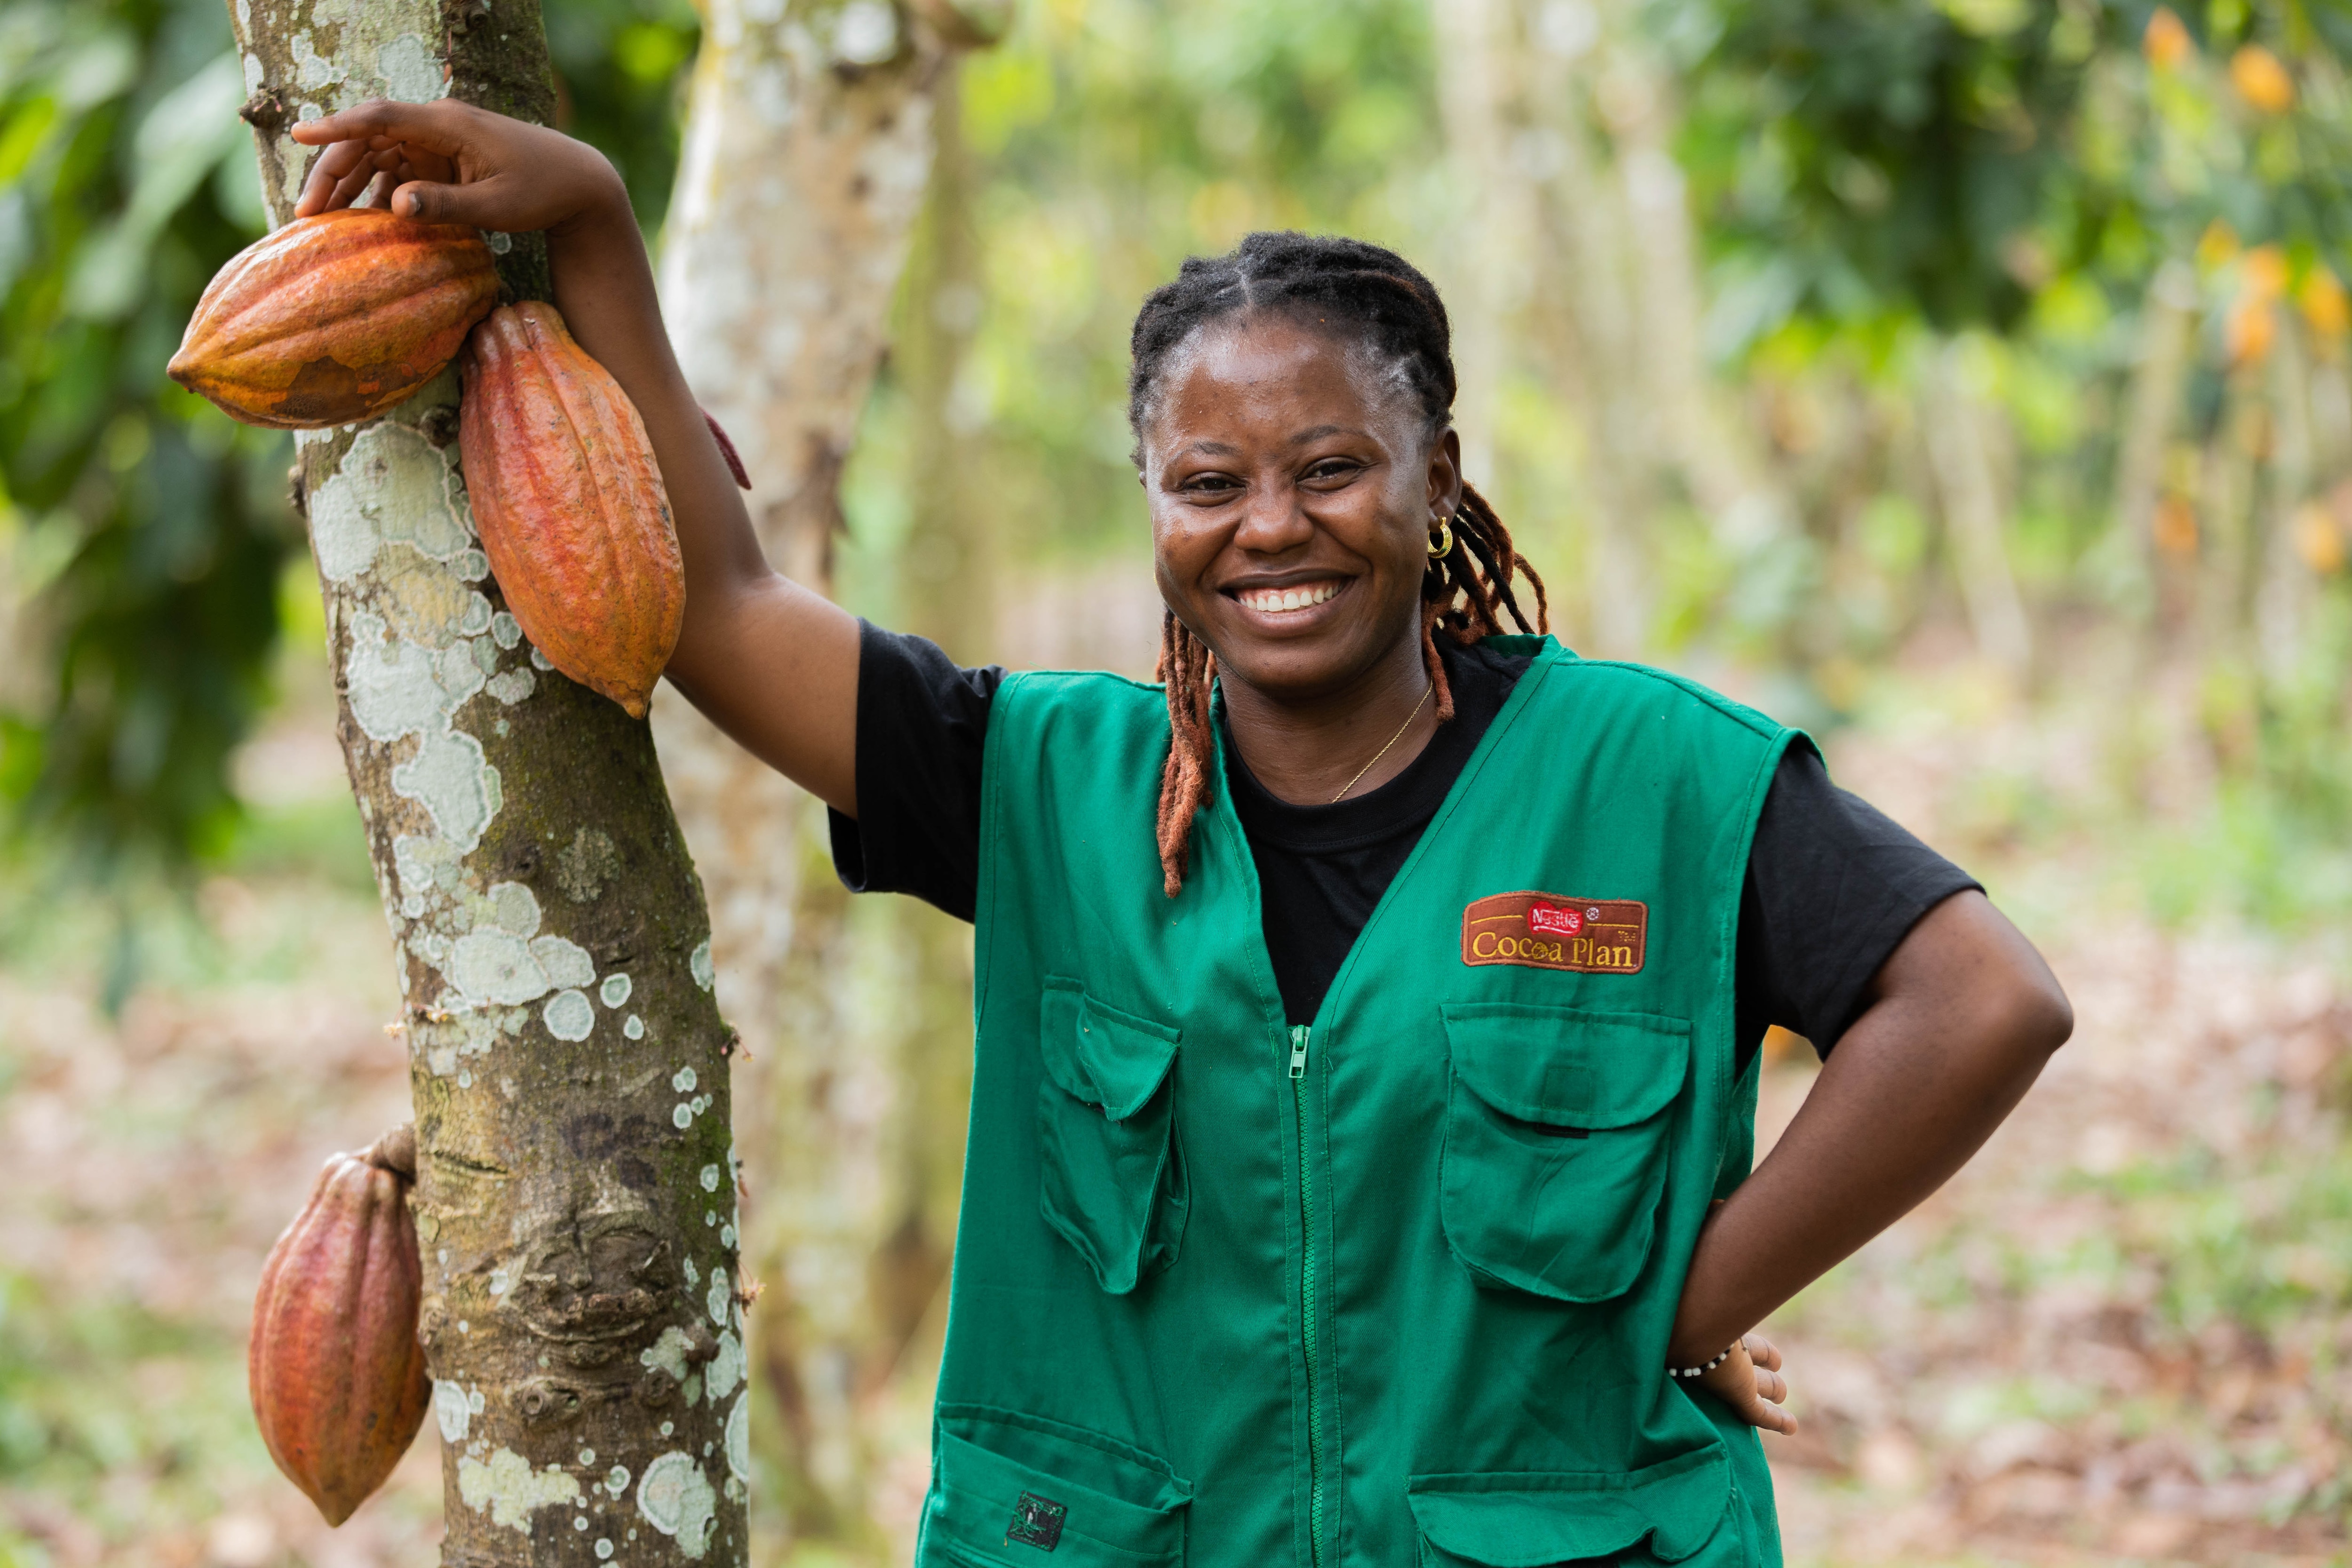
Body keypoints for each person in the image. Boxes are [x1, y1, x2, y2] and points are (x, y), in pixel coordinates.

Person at [290, 99, 2074, 1568]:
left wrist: (1692, 1295)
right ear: (1156, 506)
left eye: (1332, 468)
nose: (1270, 528)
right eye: (1208, 484)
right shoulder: (1038, 783)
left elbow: (1983, 1001)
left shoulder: (1655, 780)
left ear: (1437, 476)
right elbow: (717, 608)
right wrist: (595, 223)